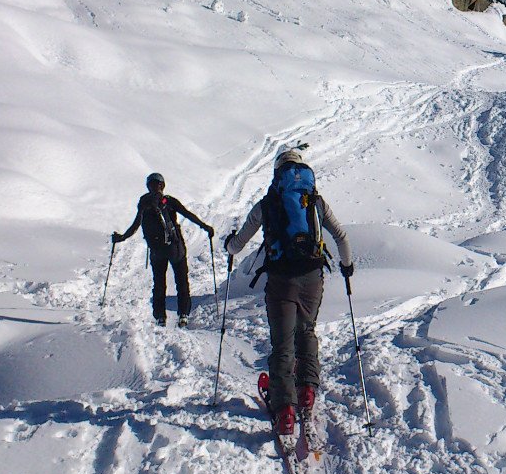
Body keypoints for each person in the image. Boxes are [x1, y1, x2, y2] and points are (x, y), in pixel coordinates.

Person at [225, 148, 354, 437]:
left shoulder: (267, 203)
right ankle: (307, 390)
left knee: (282, 343)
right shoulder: (315, 202)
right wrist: (347, 266)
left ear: (277, 173)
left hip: (281, 280)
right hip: (312, 277)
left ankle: (284, 411)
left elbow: (238, 244)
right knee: (306, 331)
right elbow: (341, 236)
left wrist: (228, 245)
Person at [112, 172, 213, 328]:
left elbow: (135, 225)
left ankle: (160, 317)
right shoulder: (169, 201)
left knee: (159, 283)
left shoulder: (144, 203)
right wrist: (205, 227)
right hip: (175, 248)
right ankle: (183, 314)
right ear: (162, 185)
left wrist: (122, 237)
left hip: (156, 250)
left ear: (149, 185)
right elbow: (188, 214)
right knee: (181, 281)